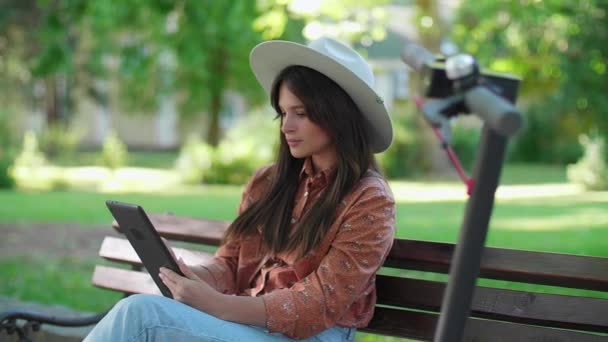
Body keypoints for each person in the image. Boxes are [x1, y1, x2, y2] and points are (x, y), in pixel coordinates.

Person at [85, 37, 395, 342]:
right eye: (283, 113)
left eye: (300, 113)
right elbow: (231, 263)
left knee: (142, 317)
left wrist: (219, 305)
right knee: (143, 313)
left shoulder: (369, 200)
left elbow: (319, 304)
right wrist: (193, 277)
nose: (287, 126)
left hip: (313, 335)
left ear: (337, 115)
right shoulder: (268, 182)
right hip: (246, 326)